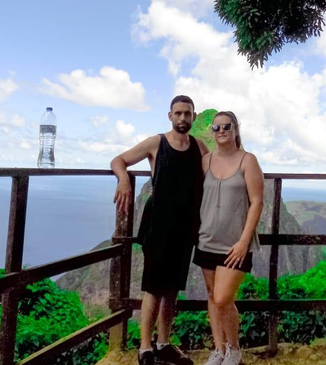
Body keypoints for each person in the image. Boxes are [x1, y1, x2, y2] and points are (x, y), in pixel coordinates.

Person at [111, 95, 208, 365]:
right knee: (153, 287)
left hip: (185, 226)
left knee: (173, 289)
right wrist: (124, 180)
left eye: (187, 114)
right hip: (158, 224)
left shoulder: (199, 147)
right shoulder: (157, 143)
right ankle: (145, 348)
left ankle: (164, 342)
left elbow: (218, 170)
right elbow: (119, 160)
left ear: (194, 116)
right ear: (170, 116)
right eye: (178, 113)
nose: (182, 118)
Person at [193, 111, 264, 365]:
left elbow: (257, 202)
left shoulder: (248, 160)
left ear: (235, 130)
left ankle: (234, 348)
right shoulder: (205, 161)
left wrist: (244, 241)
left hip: (235, 243)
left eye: (227, 126)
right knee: (212, 296)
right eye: (216, 127)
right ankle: (219, 349)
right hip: (206, 239)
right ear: (212, 132)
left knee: (224, 297)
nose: (221, 130)